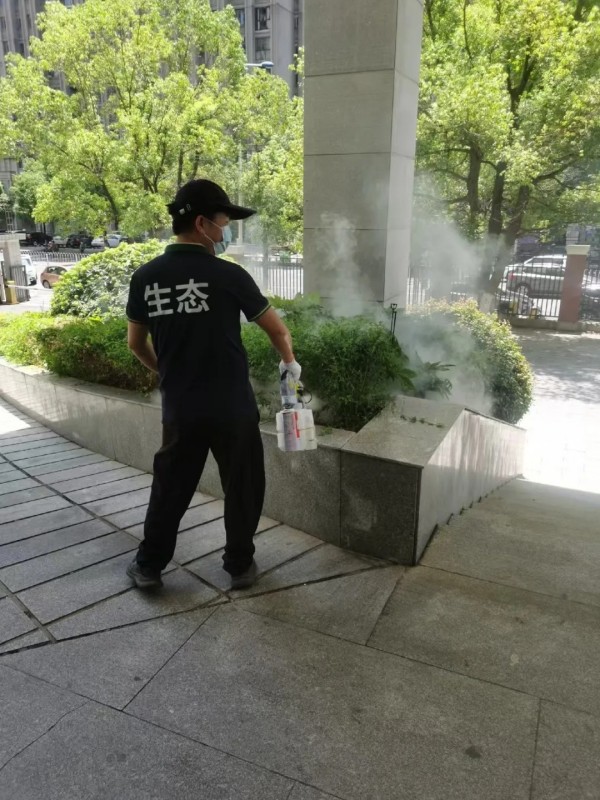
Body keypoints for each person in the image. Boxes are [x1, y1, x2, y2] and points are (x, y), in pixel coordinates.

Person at [125, 179, 300, 591]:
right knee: (243, 484)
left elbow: (135, 343)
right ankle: (239, 565)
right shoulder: (228, 275)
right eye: (223, 223)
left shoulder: (146, 277)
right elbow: (277, 330)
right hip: (232, 406)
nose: (225, 233)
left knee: (171, 486)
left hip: (181, 407)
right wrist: (290, 364)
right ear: (202, 224)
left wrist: (166, 373)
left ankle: (148, 565)